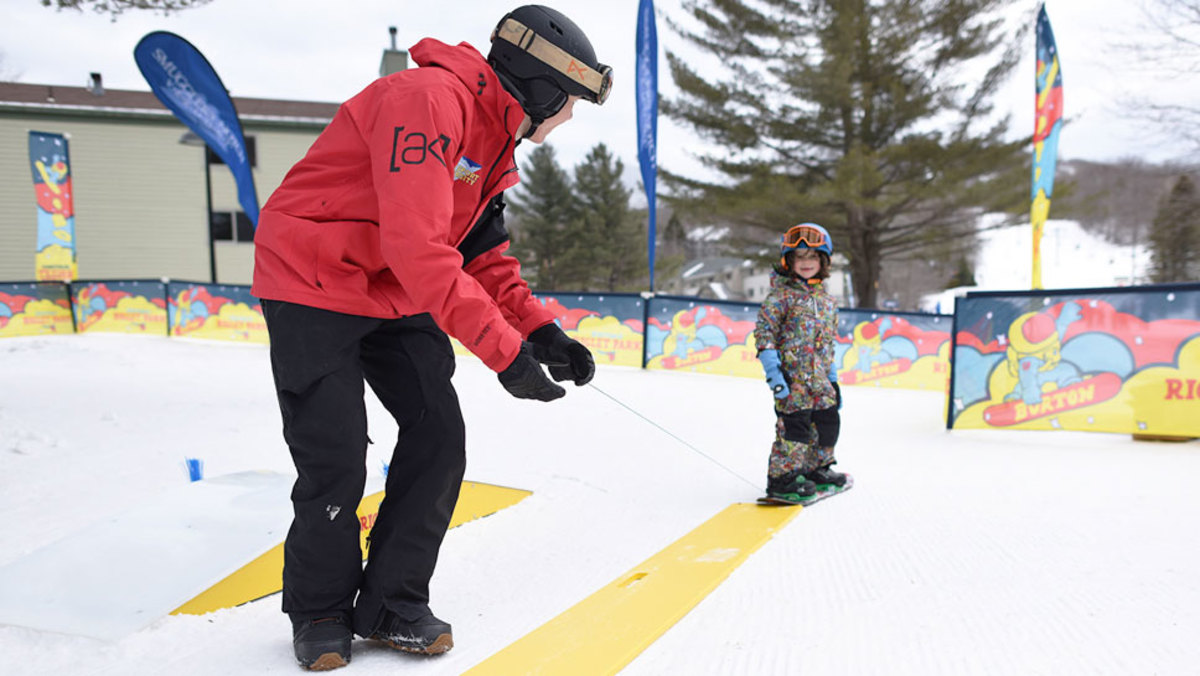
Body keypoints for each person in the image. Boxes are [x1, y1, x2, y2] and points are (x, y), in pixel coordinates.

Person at [250, 5, 610, 670]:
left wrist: (539, 330)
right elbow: (419, 244)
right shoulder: (427, 102)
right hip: (310, 278)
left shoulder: (497, 145)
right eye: (568, 104)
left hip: (392, 286)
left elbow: (480, 253)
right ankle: (321, 609)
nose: (566, 120)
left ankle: (391, 604)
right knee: (335, 456)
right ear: (541, 84)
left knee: (438, 433)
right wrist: (504, 355)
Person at [753, 222, 848, 503]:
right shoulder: (780, 297)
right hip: (792, 379)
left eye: (813, 257)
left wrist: (832, 379)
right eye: (800, 257)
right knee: (795, 428)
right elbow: (764, 336)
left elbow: (828, 343)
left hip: (820, 380)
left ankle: (816, 468)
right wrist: (775, 375)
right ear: (789, 261)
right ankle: (783, 478)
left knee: (828, 422)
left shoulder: (827, 301)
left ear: (824, 261)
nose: (806, 263)